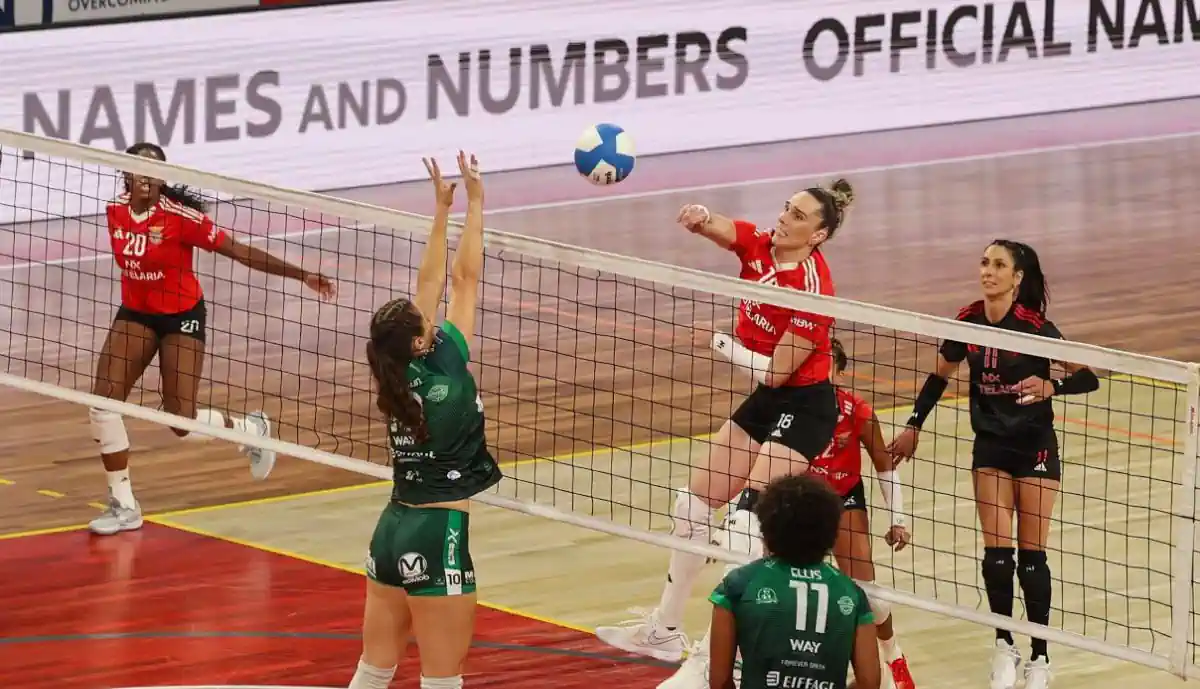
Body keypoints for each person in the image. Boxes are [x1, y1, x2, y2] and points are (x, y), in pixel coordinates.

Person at [595, 180, 855, 688]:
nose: (784, 218)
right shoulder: (764, 244)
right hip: (768, 402)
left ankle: (725, 655)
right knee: (691, 507)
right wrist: (700, 216)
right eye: (786, 208)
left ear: (819, 234)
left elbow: (779, 373)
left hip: (805, 406)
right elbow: (728, 232)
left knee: (745, 527)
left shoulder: (813, 288)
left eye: (798, 216)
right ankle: (665, 630)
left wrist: (724, 346)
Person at [90, 141, 335, 536]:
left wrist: (301, 274)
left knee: (179, 422)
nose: (147, 178)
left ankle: (251, 431)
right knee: (101, 401)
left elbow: (239, 251)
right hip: (136, 313)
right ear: (126, 174)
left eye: (154, 171)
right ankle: (123, 504)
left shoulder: (181, 217)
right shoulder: (114, 210)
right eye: (138, 170)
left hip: (182, 316)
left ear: (162, 178)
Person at [886, 240, 1098, 689]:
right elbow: (938, 376)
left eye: (999, 265)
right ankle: (1005, 646)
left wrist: (1050, 387)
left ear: (1017, 278)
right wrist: (913, 424)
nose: (988, 271)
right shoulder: (967, 321)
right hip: (991, 448)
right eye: (985, 262)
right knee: (998, 558)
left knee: (1032, 558)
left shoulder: (1035, 327)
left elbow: (1089, 376)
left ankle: (1040, 658)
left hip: (1035, 448)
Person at [347, 152, 501, 689]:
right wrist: (475, 204)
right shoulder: (449, 360)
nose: (430, 313)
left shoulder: (394, 370)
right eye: (424, 320)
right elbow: (463, 279)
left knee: (374, 669)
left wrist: (440, 212)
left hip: (391, 529)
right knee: (441, 679)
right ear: (419, 340)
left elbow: (431, 282)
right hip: (439, 532)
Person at [804, 337, 915, 689]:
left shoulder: (857, 411)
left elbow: (884, 465)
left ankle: (893, 656)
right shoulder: (788, 408)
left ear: (839, 371)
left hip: (843, 497)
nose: (817, 371)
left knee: (869, 595)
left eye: (825, 363)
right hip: (799, 500)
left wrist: (898, 518)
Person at [708, 473, 881, 689]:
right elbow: (870, 684)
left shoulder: (737, 586)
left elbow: (719, 682)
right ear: (830, 533)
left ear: (768, 530)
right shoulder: (853, 595)